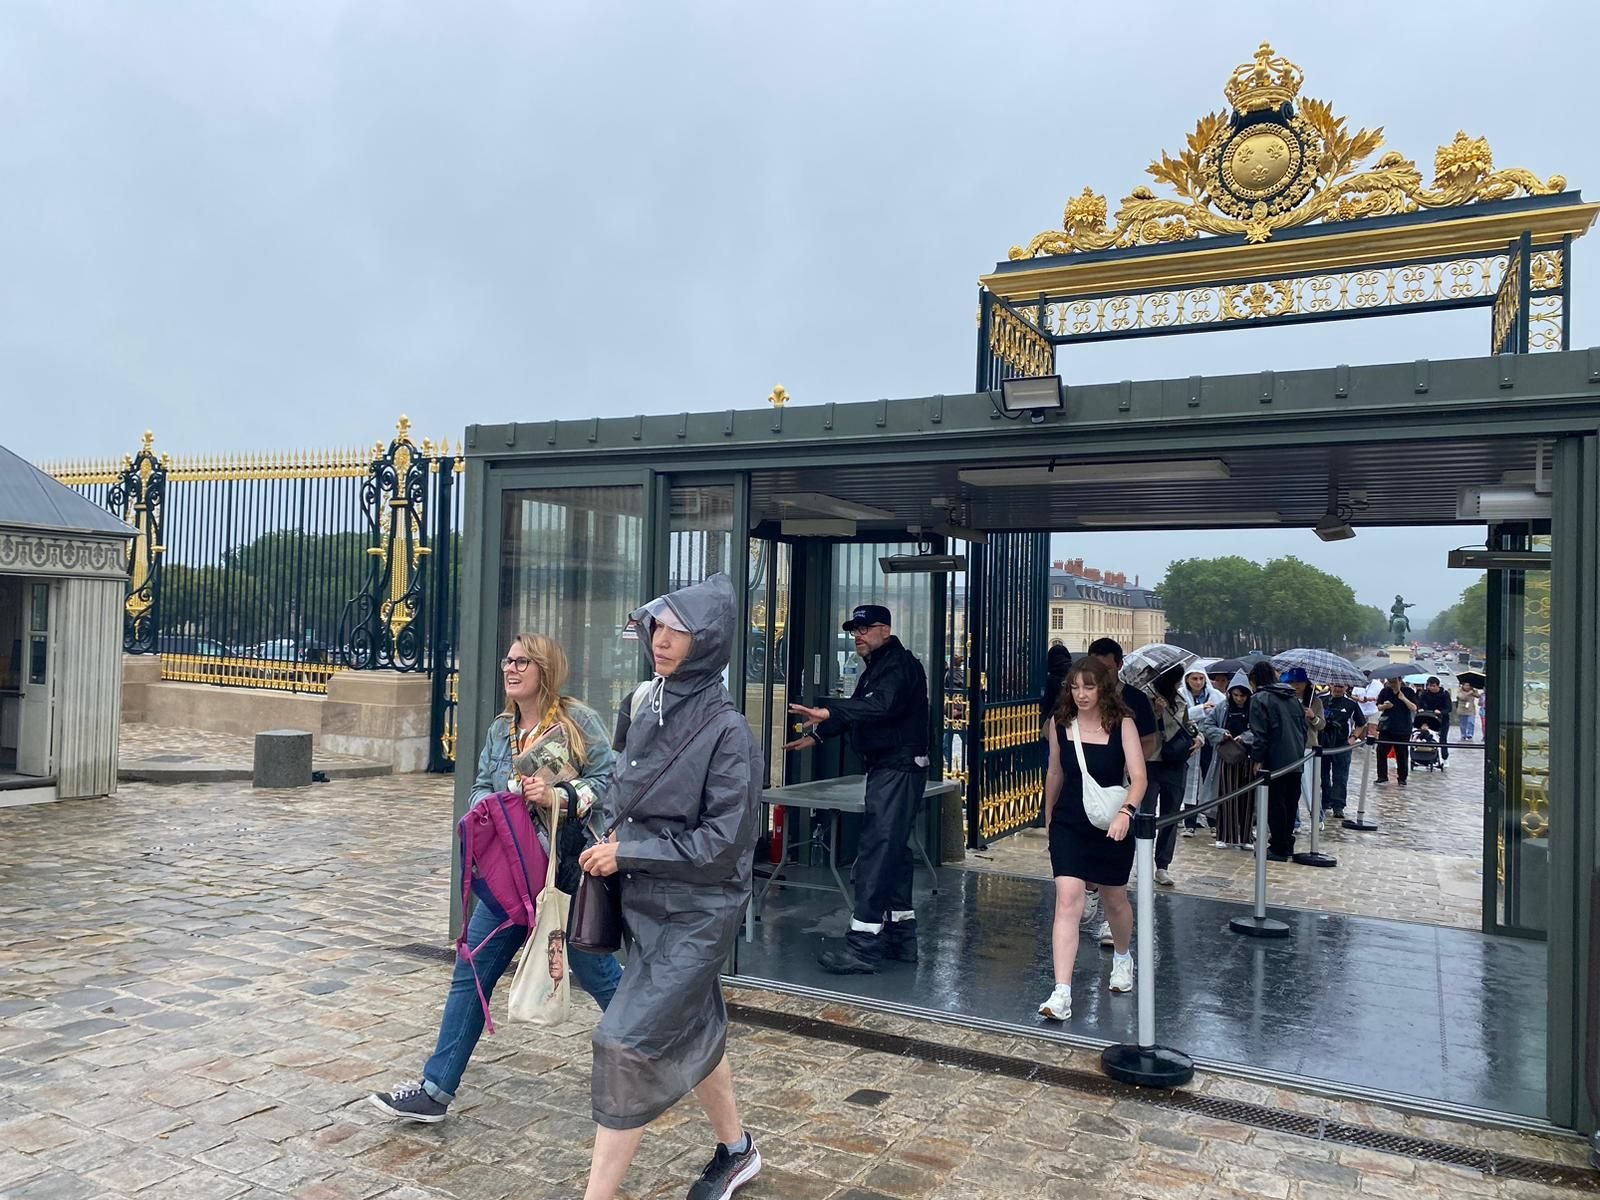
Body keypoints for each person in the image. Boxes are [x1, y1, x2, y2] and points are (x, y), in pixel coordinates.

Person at [369, 633, 621, 1124]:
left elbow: (610, 784)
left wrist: (559, 797)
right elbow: (480, 789)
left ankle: (658, 1050)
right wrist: (493, 804)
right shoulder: (499, 730)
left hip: (562, 874)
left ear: (544, 669)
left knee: (599, 975)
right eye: (507, 660)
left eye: (522, 661)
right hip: (509, 879)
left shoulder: (577, 721)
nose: (511, 668)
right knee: (472, 971)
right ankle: (435, 1090)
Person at [577, 573, 763, 1200]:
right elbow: (624, 797)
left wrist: (628, 853)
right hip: (644, 906)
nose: (662, 638)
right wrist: (577, 806)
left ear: (708, 641)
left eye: (680, 629)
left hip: (698, 911)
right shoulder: (642, 702)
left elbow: (725, 844)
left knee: (623, 1041)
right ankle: (737, 1150)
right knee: (692, 1024)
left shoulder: (731, 731)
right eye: (658, 624)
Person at [787, 603, 930, 974]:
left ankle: (863, 946)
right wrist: (820, 734)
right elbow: (861, 708)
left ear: (885, 629)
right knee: (893, 856)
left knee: (876, 855)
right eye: (854, 631)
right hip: (890, 768)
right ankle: (900, 938)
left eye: (865, 629)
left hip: (897, 769)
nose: (858, 637)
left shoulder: (898, 666)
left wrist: (830, 714)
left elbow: (878, 707)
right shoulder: (881, 667)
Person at [1038, 658, 1148, 1021]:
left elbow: (1139, 777)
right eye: (1075, 687)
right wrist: (1048, 815)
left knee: (1115, 897)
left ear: (1103, 688)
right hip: (1070, 821)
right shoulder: (1060, 724)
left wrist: (1126, 812)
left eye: (1089, 687)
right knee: (1067, 900)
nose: (1081, 694)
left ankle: (1122, 956)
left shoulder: (1122, 724)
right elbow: (1055, 770)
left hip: (1111, 821)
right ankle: (1062, 991)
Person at [1082, 638, 1158, 943]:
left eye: (1106, 669)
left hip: (1121, 786)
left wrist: (1131, 763)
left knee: (1115, 851)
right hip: (1088, 784)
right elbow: (1052, 729)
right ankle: (1089, 891)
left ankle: (1110, 918)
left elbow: (1150, 740)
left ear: (1119, 666)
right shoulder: (1080, 697)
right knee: (1087, 844)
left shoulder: (1135, 700)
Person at [1247, 661, 1307, 862]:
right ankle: (1285, 843)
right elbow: (1303, 729)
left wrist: (1257, 758)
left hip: (1274, 759)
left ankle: (1278, 847)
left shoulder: (1260, 698)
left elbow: (1260, 732)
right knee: (1290, 804)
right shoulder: (1293, 698)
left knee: (1275, 804)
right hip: (1296, 758)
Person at [1148, 668, 1202, 887]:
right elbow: (1139, 730)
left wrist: (1199, 738)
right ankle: (1140, 858)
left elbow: (1188, 726)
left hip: (1176, 762)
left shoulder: (1180, 700)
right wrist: (1157, 714)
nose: (1179, 684)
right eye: (1176, 680)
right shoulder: (1146, 699)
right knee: (1146, 814)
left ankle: (1162, 865)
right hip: (1151, 761)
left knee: (1171, 814)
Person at [1203, 672, 1256, 847]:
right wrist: (1221, 734)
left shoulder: (1254, 709)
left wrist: (1246, 737)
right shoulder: (1222, 707)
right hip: (1227, 757)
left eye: (1242, 695)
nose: (1239, 699)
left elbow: (1260, 730)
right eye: (1236, 695)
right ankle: (1225, 835)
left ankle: (1246, 836)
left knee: (1248, 798)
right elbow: (1207, 725)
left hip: (1248, 757)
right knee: (1226, 796)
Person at [1179, 669, 1224, 837]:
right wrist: (1200, 710)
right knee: (1190, 783)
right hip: (1189, 743)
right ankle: (1189, 823)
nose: (1198, 682)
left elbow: (1222, 714)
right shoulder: (1181, 695)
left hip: (1209, 743)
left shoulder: (1216, 695)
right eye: (1194, 678)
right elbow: (1180, 715)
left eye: (1201, 678)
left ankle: (1213, 821)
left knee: (1210, 780)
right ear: (1187, 679)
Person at [1318, 683, 1365, 821]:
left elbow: (1361, 723)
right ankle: (1325, 802)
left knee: (1340, 776)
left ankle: (1338, 806)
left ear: (1346, 687)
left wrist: (1353, 738)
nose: (1338, 689)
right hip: (1323, 745)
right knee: (1323, 776)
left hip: (1342, 746)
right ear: (1330, 685)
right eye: (1335, 686)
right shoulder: (1321, 700)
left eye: (1341, 686)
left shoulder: (1351, 704)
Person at [1375, 676, 1420, 786]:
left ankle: (1402, 778)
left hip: (1403, 728)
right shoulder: (1385, 691)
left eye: (1394, 682)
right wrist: (1385, 706)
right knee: (1381, 751)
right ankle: (1382, 776)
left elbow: (1414, 708)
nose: (1392, 684)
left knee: (1402, 754)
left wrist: (1403, 699)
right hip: (1387, 727)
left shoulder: (1408, 691)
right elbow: (1378, 706)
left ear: (1400, 681)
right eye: (1390, 682)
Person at [1417, 677, 1453, 766]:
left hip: (1442, 720)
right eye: (1429, 686)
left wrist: (1441, 712)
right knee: (1426, 736)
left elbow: (1449, 708)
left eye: (1433, 686)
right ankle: (1427, 758)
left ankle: (1445, 758)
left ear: (1438, 686)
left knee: (1443, 739)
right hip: (1429, 719)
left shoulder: (1444, 694)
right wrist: (1420, 709)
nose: (1431, 688)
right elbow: (1419, 704)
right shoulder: (1425, 694)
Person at [1040, 644, 1073, 728]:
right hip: (1070, 717)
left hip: (1053, 717)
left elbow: (1047, 702)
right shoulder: (1073, 673)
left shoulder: (1051, 677)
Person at [942, 655, 966, 768]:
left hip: (955, 710)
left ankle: (949, 763)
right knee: (960, 736)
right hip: (958, 709)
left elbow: (957, 691)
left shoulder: (953, 673)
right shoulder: (959, 673)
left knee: (948, 740)